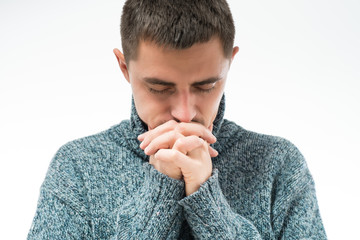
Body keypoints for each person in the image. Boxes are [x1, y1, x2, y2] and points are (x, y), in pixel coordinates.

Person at [27, 0, 327, 239]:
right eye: (159, 88)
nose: (184, 113)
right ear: (124, 68)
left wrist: (208, 202)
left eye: (206, 86)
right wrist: (160, 191)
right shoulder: (78, 167)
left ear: (229, 64)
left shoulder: (279, 164)